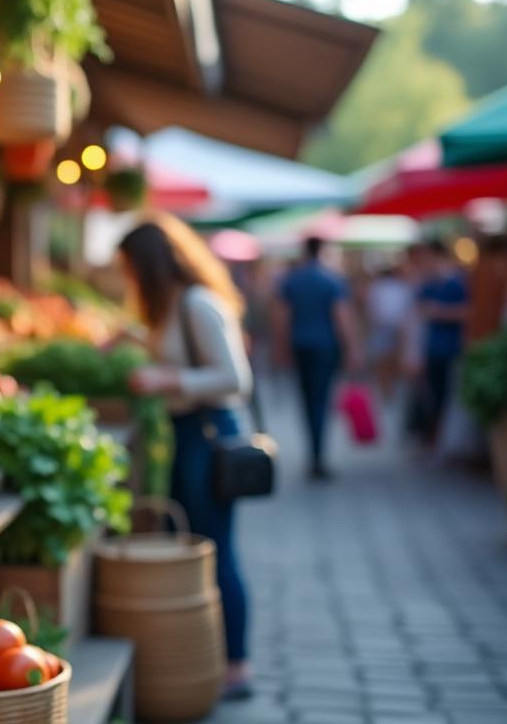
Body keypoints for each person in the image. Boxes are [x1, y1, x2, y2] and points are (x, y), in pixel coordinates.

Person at [117, 221, 255, 700]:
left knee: (213, 548)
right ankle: (209, 654)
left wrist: (167, 382)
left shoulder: (198, 303)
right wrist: (132, 339)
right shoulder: (173, 306)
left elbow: (235, 378)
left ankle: (237, 663)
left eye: (131, 268)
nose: (128, 278)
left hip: (211, 433)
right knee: (196, 541)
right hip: (188, 433)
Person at [272, 237, 360, 480]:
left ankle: (314, 453)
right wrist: (352, 349)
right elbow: (342, 317)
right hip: (325, 347)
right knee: (322, 400)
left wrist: (280, 349)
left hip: (300, 346)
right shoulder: (332, 280)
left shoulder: (292, 280)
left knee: (308, 401)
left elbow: (282, 319)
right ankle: (318, 456)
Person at [417, 240, 469, 442]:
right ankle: (436, 440)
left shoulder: (457, 282)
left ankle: (444, 441)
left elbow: (469, 312)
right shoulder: (429, 283)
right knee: (435, 395)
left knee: (448, 397)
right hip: (433, 348)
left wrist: (440, 312)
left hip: (452, 348)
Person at [365, 262, 415, 399]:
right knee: (392, 361)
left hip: (382, 327)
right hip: (397, 328)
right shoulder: (402, 288)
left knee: (382, 361)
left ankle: (384, 390)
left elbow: (371, 310)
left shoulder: (377, 288)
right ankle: (390, 390)